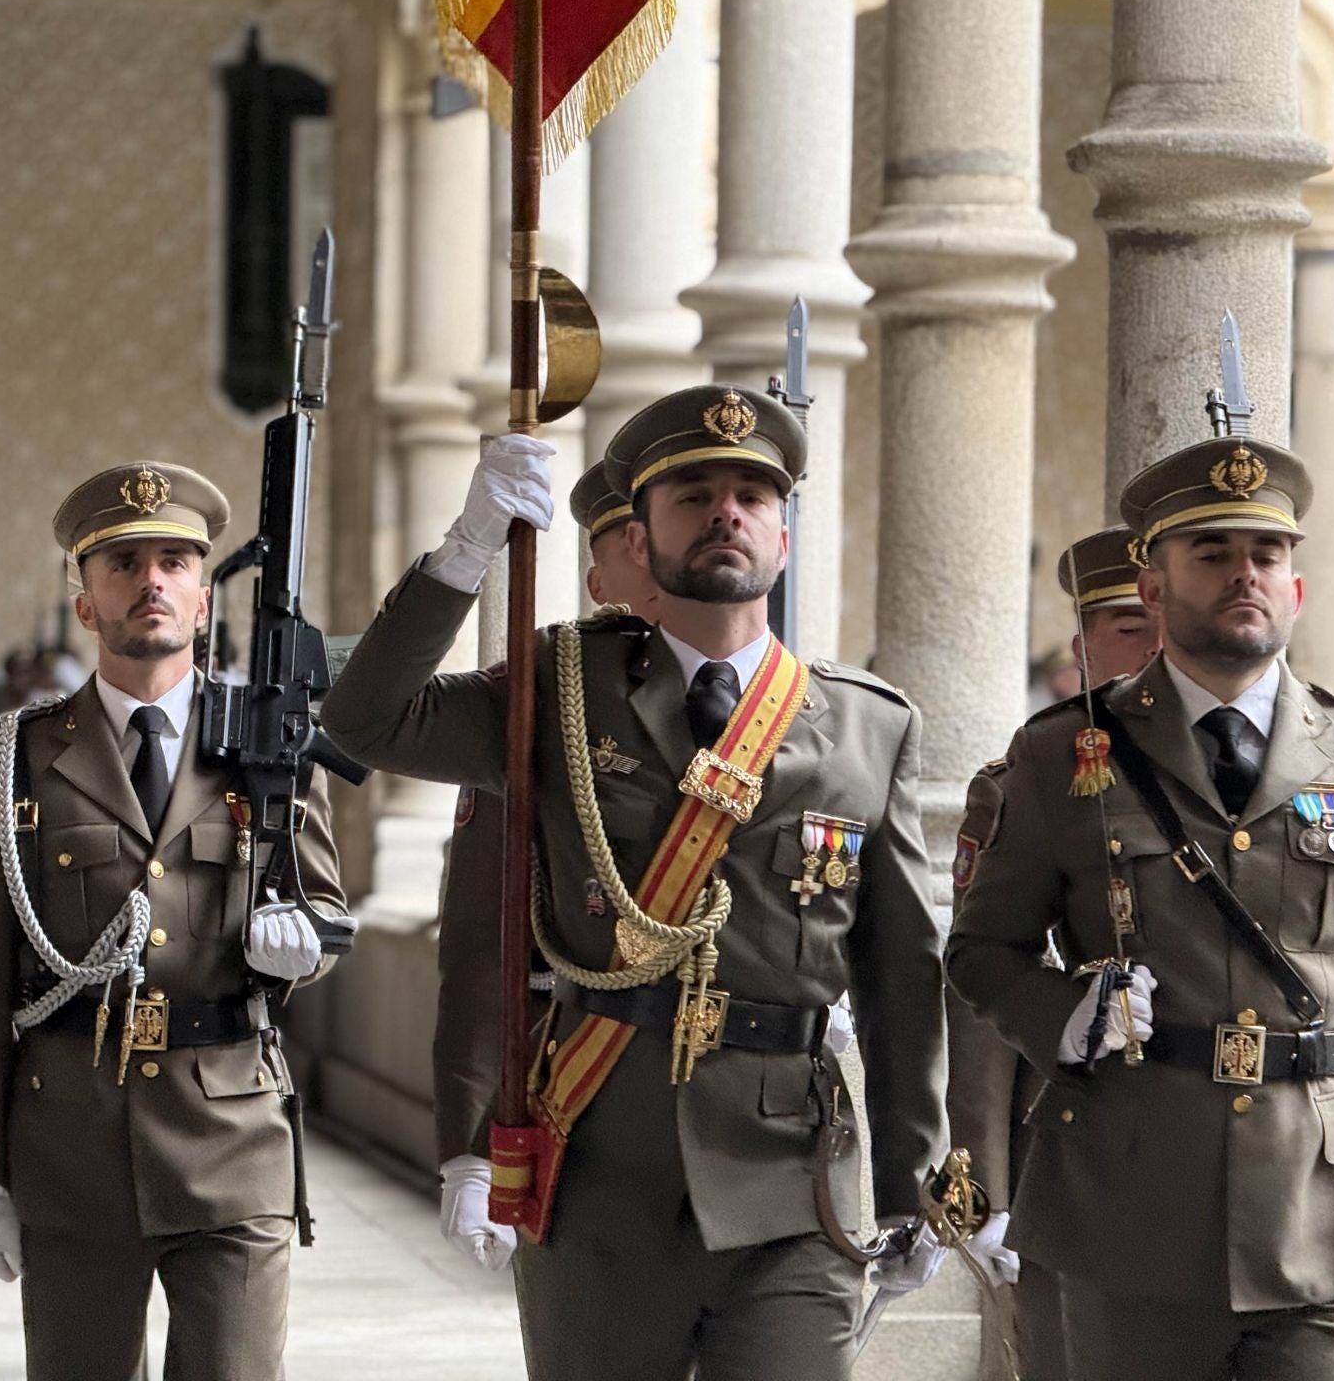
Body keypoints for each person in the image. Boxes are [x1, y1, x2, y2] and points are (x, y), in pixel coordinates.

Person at [322, 385, 949, 1381]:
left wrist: (917, 1180)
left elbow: (902, 977)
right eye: (691, 495)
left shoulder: (870, 727)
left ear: (784, 536)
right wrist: (471, 546)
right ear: (643, 537)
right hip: (598, 1168)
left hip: (792, 1183)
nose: (724, 513)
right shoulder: (557, 685)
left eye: (751, 494)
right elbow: (363, 723)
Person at [945, 434, 1334, 1380]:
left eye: (1267, 557)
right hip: (1128, 1206)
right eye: (1214, 555)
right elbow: (982, 951)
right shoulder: (1061, 756)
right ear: (1153, 590)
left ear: (1297, 589)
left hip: (1321, 1212)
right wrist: (1066, 1017)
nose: (1247, 577)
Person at [0, 461, 354, 1381]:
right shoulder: (12, 761)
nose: (152, 581)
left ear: (205, 599)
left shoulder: (269, 743)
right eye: (124, 563)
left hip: (232, 1136)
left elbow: (322, 907)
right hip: (71, 1149)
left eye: (174, 561)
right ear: (84, 604)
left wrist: (301, 946)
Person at [433, 461, 663, 1270]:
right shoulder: (543, 707)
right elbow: (480, 941)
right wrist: (470, 1144)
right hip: (580, 1081)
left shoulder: (786, 708)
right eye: (629, 548)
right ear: (600, 578)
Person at [949, 525, 1160, 1376]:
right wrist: (986, 1192)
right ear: (1081, 649)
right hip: (1071, 1132)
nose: (1152, 646)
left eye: (1161, 623)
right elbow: (982, 986)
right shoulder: (1026, 779)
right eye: (1128, 629)